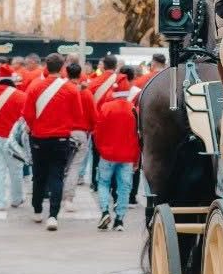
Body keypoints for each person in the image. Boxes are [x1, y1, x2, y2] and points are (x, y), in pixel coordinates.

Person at [22, 53, 83, 231]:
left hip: (39, 137)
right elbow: (78, 115)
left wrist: (34, 126)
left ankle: (37, 209)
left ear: (46, 67)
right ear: (63, 66)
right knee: (57, 176)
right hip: (61, 137)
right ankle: (53, 216)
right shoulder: (71, 89)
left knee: (39, 175)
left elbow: (27, 113)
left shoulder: (35, 86)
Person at [93, 90, 141, 231]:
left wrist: (101, 149)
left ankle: (105, 211)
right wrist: (136, 158)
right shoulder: (134, 110)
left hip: (107, 154)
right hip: (127, 156)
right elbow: (139, 137)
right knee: (124, 188)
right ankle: (119, 220)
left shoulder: (106, 107)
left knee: (103, 183)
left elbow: (98, 132)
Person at [0, 72, 27, 209]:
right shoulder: (21, 96)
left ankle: (0, 202)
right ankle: (16, 199)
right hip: (14, 138)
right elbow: (24, 118)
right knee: (16, 170)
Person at [63, 62, 95, 212]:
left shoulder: (60, 90)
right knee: (75, 167)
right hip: (80, 133)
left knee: (59, 166)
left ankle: (55, 194)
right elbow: (93, 116)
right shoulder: (86, 93)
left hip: (61, 131)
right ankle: (68, 198)